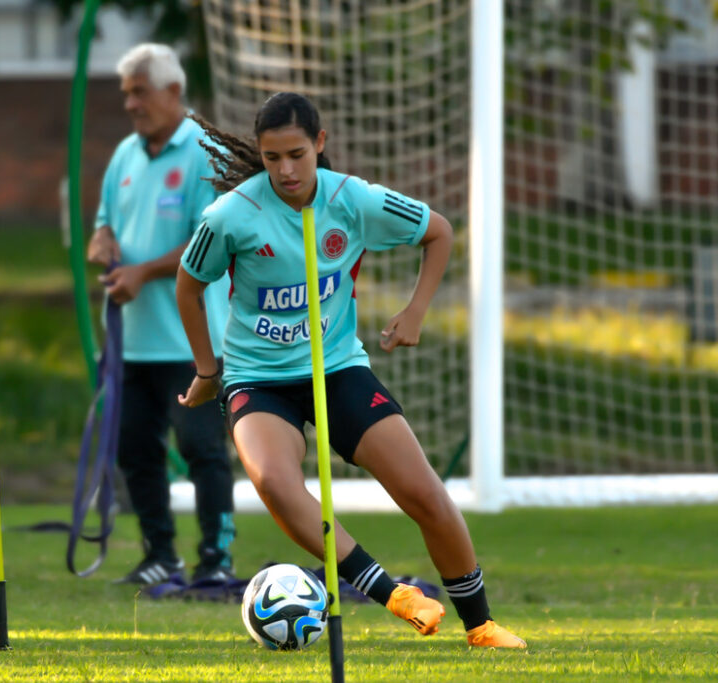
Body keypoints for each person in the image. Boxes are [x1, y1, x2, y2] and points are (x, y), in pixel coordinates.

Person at [174, 92, 526, 648]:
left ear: (320, 143)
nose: (285, 170)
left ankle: (481, 625)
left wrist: (415, 311)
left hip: (337, 369)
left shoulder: (353, 200)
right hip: (258, 379)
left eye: (296, 154)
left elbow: (439, 232)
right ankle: (392, 593)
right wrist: (207, 368)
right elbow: (188, 287)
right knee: (274, 482)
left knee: (425, 495)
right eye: (271, 158)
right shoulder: (230, 216)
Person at [88, 43, 236, 586]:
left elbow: (211, 240)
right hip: (130, 342)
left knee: (202, 450)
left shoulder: (203, 152)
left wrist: (141, 272)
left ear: (173, 92)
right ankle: (160, 557)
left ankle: (216, 562)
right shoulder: (125, 154)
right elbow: (105, 222)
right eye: (125, 93)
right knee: (134, 452)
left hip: (191, 342)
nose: (129, 104)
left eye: (139, 91)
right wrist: (101, 245)